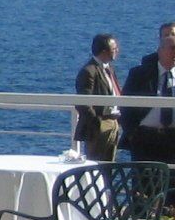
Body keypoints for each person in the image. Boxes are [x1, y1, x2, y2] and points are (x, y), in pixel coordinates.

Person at [122, 22, 175, 164]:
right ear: (160, 51)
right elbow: (125, 105)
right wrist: (132, 134)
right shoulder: (139, 74)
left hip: (173, 138)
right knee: (144, 177)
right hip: (145, 138)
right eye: (172, 49)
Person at [74, 33, 122, 161]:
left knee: (109, 163)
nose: (117, 51)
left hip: (113, 122)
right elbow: (83, 102)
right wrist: (97, 122)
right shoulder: (89, 71)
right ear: (104, 51)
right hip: (100, 124)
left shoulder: (108, 69)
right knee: (95, 163)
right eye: (114, 49)